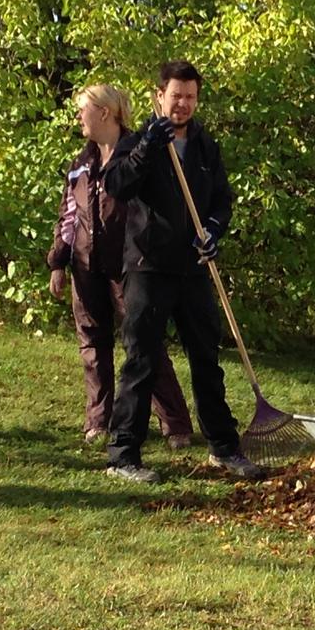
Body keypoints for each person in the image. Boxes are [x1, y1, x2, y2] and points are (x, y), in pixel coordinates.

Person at [103, 60, 260, 483]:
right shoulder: (137, 141)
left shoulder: (206, 147)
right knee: (142, 359)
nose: (184, 104)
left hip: (193, 268)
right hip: (148, 267)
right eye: (176, 96)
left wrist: (212, 229)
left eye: (191, 96)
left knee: (207, 358)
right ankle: (123, 456)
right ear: (159, 96)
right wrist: (146, 149)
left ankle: (224, 448)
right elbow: (116, 186)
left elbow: (222, 201)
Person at [46, 83, 193, 449]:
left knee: (144, 344)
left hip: (132, 264)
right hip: (85, 264)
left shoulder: (137, 154)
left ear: (105, 113)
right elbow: (68, 215)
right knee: (92, 345)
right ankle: (98, 421)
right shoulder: (80, 163)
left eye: (83, 110)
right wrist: (58, 262)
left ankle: (175, 424)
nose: (79, 117)